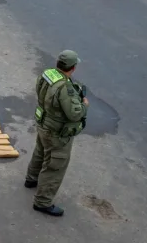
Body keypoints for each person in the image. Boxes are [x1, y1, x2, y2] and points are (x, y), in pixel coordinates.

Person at [25, 50, 89, 217]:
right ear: (73, 68)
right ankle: (43, 202)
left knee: (40, 152)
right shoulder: (65, 88)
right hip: (57, 132)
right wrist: (84, 105)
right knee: (55, 165)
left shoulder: (47, 74)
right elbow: (74, 114)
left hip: (43, 122)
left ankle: (31, 179)